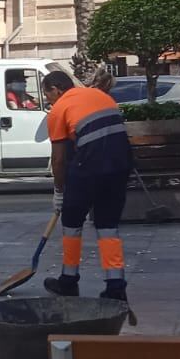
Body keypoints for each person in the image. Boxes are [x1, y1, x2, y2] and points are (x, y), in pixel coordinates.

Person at [41, 70, 134, 301]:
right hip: (121, 165)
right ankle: (116, 287)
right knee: (107, 226)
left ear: (56, 89)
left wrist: (59, 192)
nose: (48, 100)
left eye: (47, 94)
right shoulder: (100, 96)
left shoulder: (59, 110)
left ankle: (68, 281)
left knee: (72, 222)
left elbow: (59, 159)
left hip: (89, 166)